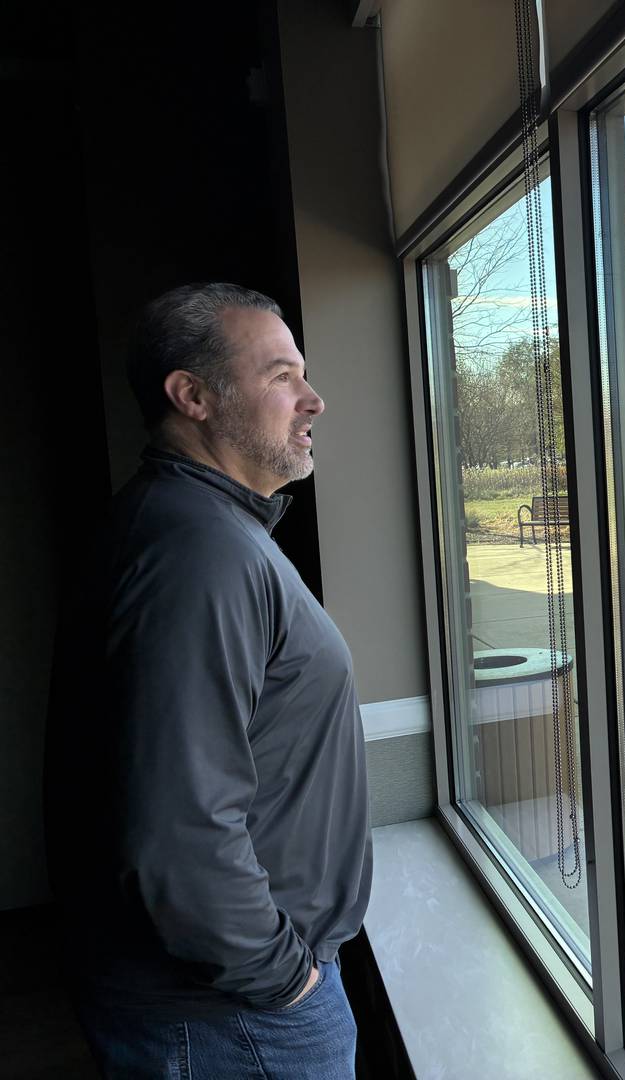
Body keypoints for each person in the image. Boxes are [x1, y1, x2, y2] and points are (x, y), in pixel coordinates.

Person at [45, 283, 372, 1079]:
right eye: (281, 375)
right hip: (233, 1018)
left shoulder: (196, 527)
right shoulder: (198, 555)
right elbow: (176, 830)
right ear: (192, 396)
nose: (313, 399)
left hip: (224, 1004)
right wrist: (285, 979)